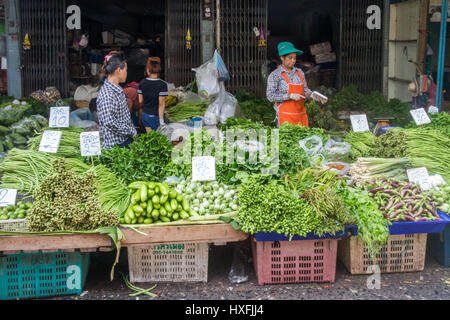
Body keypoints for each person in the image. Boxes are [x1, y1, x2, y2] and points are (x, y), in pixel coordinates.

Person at [266, 42, 326, 128]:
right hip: (285, 117)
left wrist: (312, 94)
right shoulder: (275, 75)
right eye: (290, 58)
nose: (293, 60)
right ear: (282, 58)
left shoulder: (300, 72)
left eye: (294, 58)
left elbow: (305, 90)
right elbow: (270, 96)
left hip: (300, 115)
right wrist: (289, 96)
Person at [96, 52, 137, 149]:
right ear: (119, 70)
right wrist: (131, 131)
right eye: (125, 70)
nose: (126, 73)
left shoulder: (117, 89)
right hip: (117, 146)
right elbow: (110, 122)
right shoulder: (107, 94)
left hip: (124, 141)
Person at [138, 57, 168, 132]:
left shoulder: (142, 83)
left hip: (145, 115)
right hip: (156, 116)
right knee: (158, 140)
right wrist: (161, 122)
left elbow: (140, 100)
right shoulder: (162, 84)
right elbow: (162, 104)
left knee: (150, 138)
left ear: (148, 70)